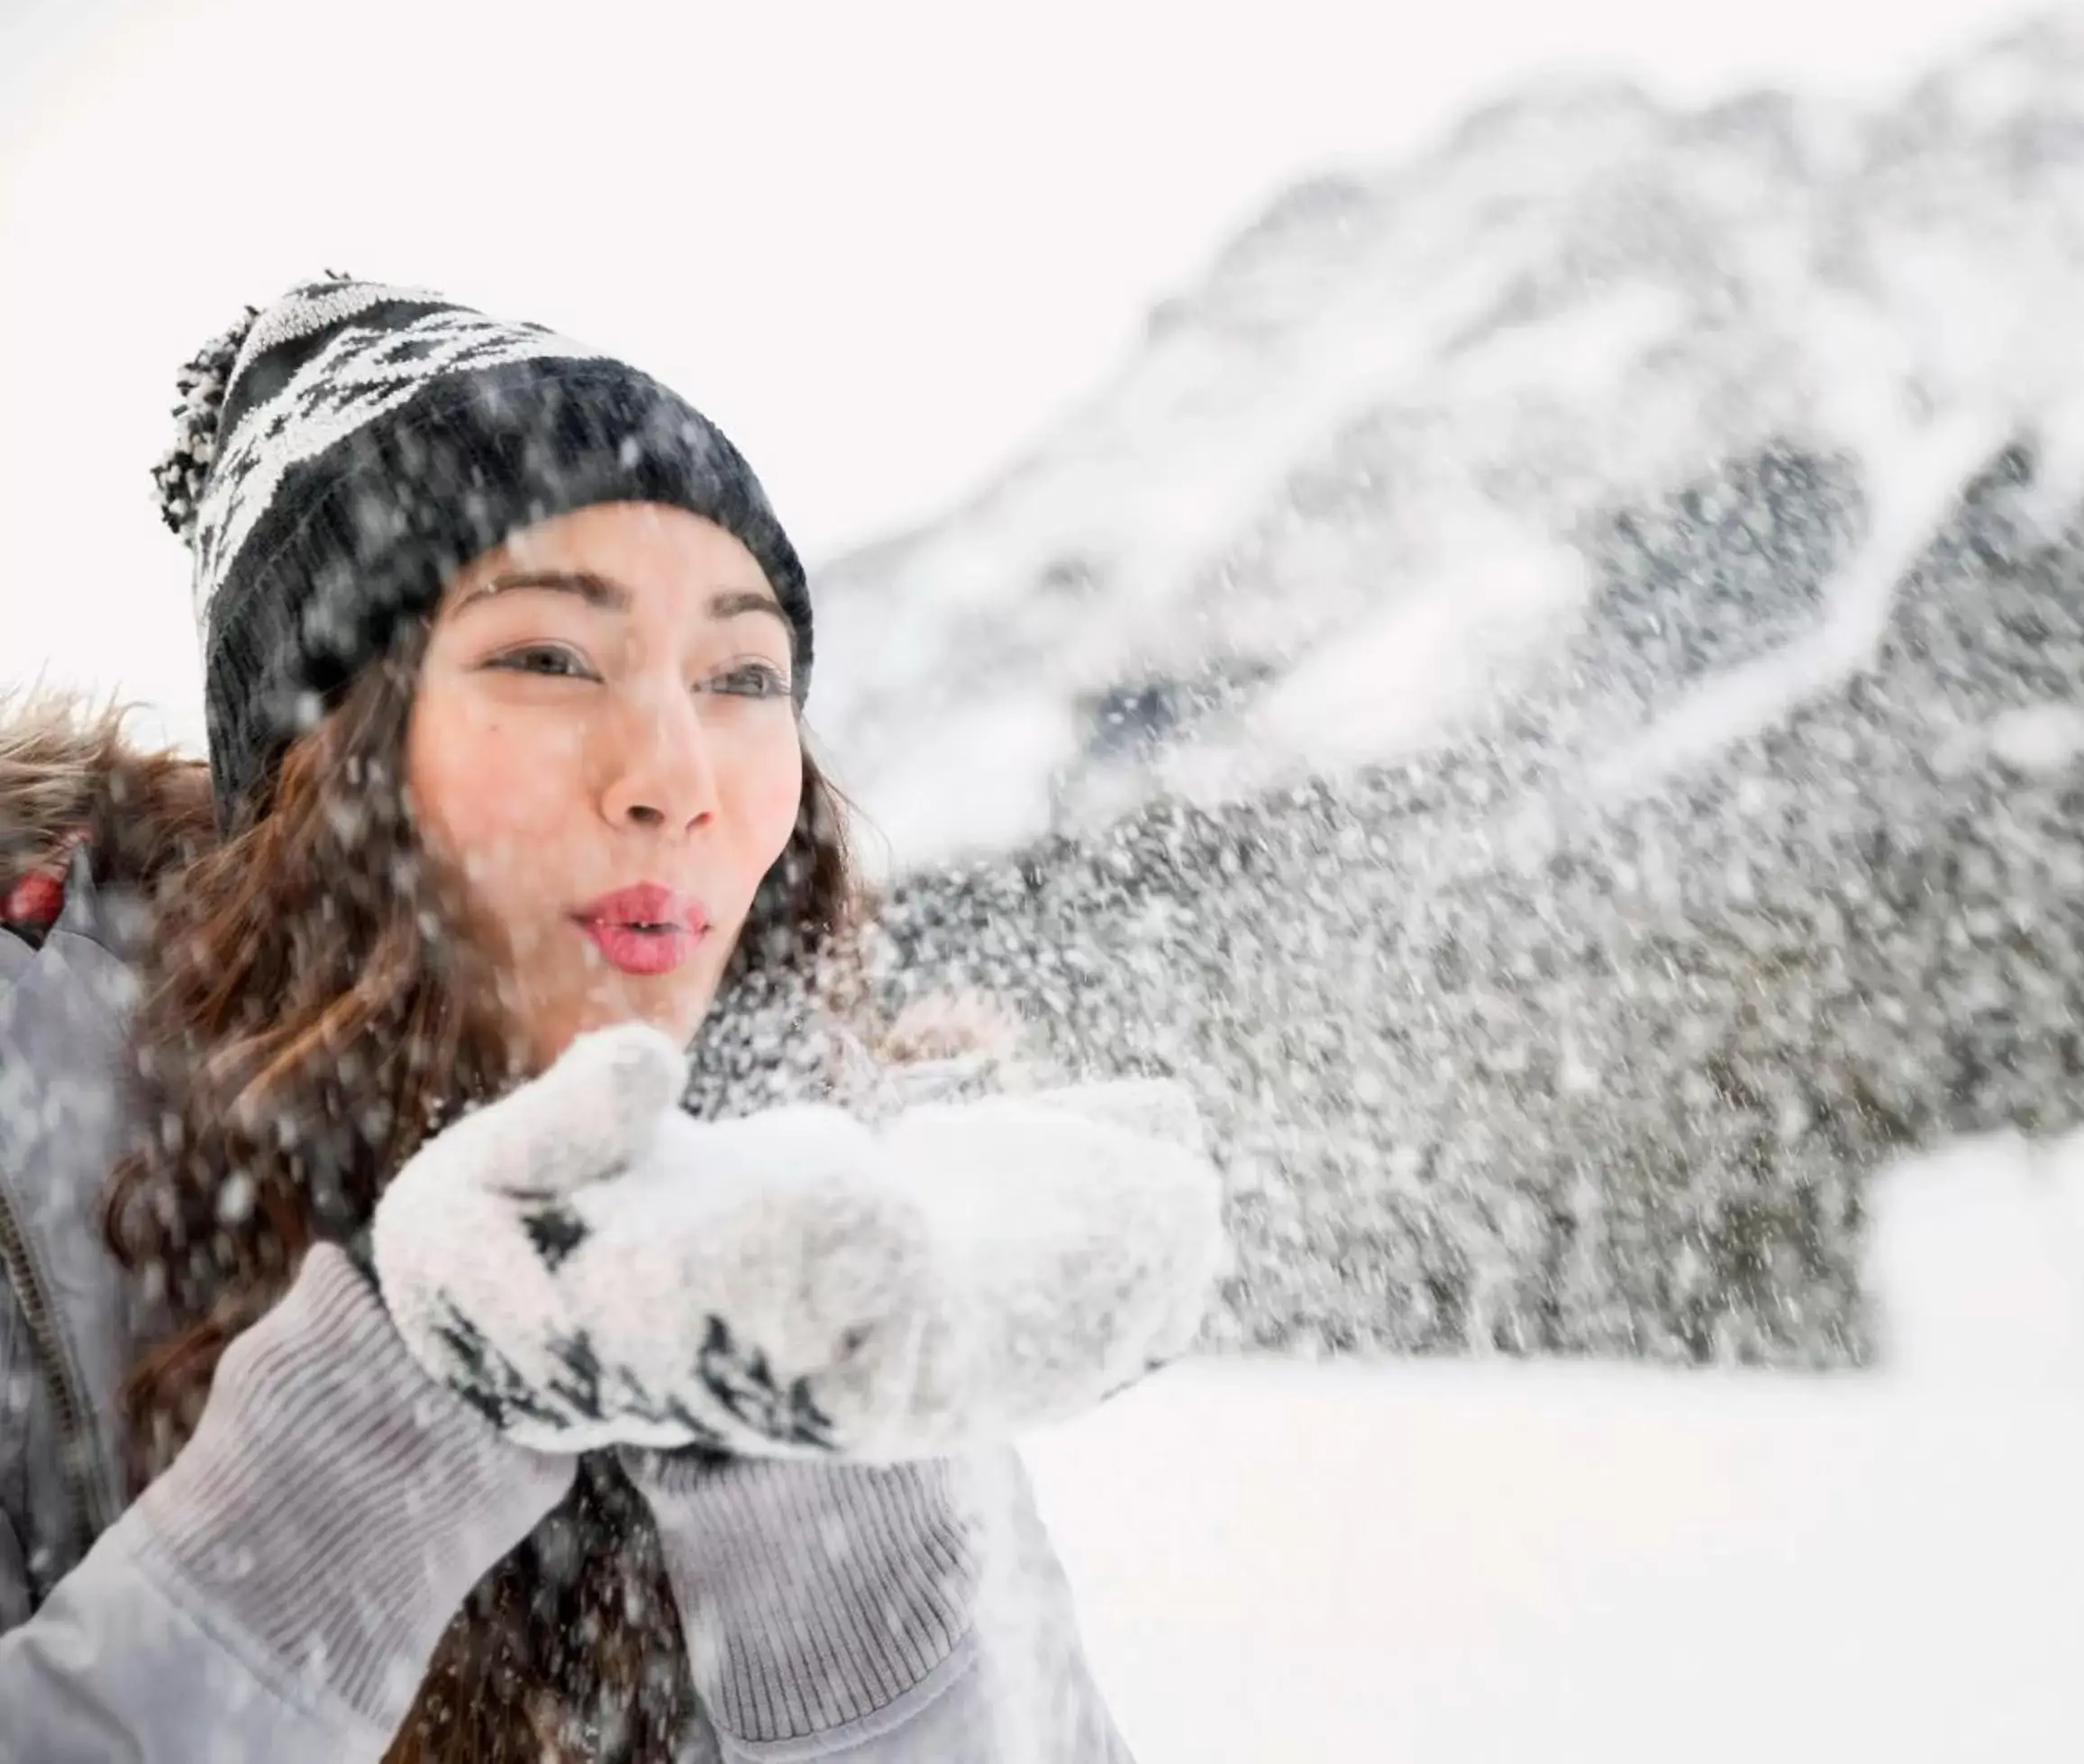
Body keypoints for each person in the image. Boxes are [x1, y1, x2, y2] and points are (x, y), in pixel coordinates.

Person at [0, 279, 1221, 1759]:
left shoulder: (804, 1213)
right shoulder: (33, 1158)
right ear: (330, 762)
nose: (678, 770)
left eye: (744, 675)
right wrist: (391, 1413)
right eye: (550, 659)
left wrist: (799, 1456)